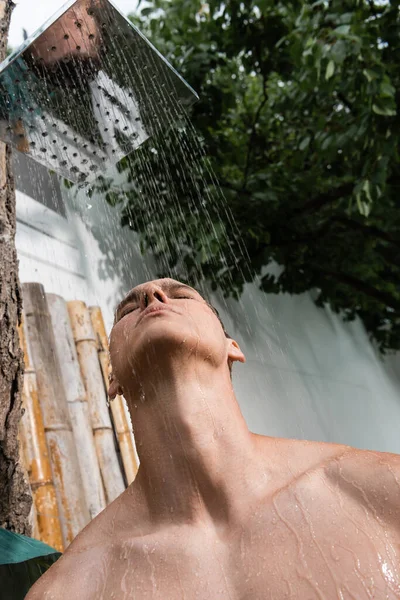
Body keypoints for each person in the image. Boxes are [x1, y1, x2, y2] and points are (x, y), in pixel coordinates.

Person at [26, 278, 400, 599]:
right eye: (127, 310)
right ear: (113, 381)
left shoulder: (378, 489)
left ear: (232, 347)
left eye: (182, 295)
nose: (153, 295)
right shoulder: (70, 588)